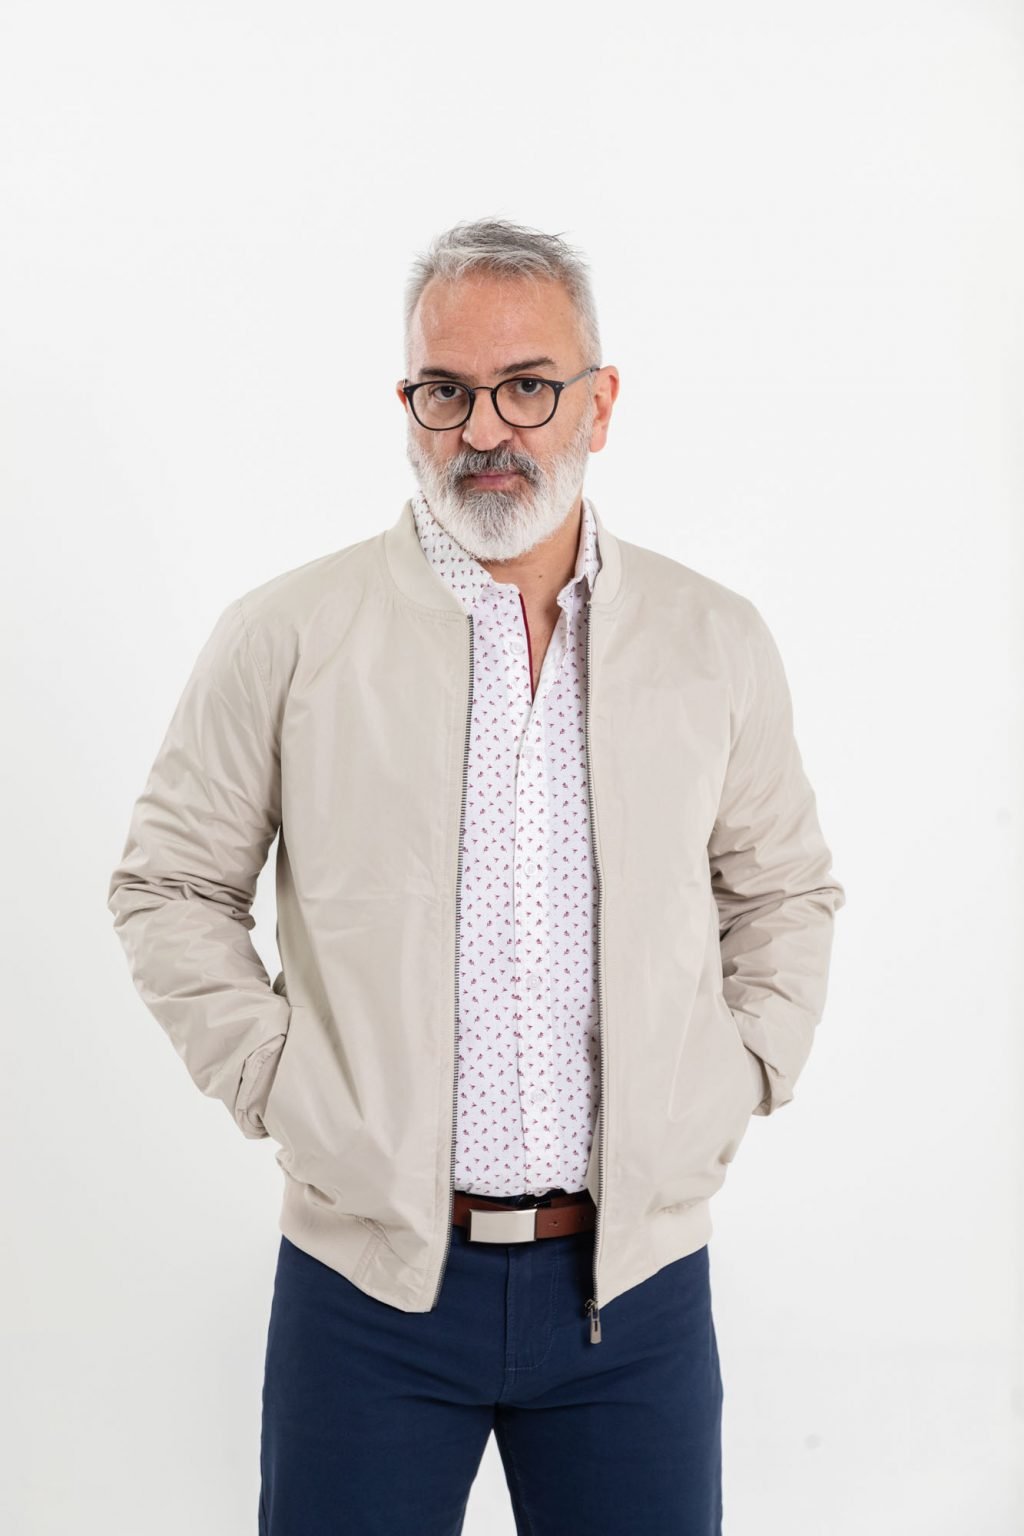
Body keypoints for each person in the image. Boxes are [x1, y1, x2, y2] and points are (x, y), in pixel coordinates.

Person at [107, 216, 846, 1535]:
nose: (486, 429)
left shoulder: (714, 641)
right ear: (407, 405)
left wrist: (739, 1076)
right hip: (367, 1291)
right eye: (446, 391)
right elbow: (169, 884)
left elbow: (784, 890)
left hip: (633, 1291)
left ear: (599, 404)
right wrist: (284, 1085)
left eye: (528, 387)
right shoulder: (288, 635)